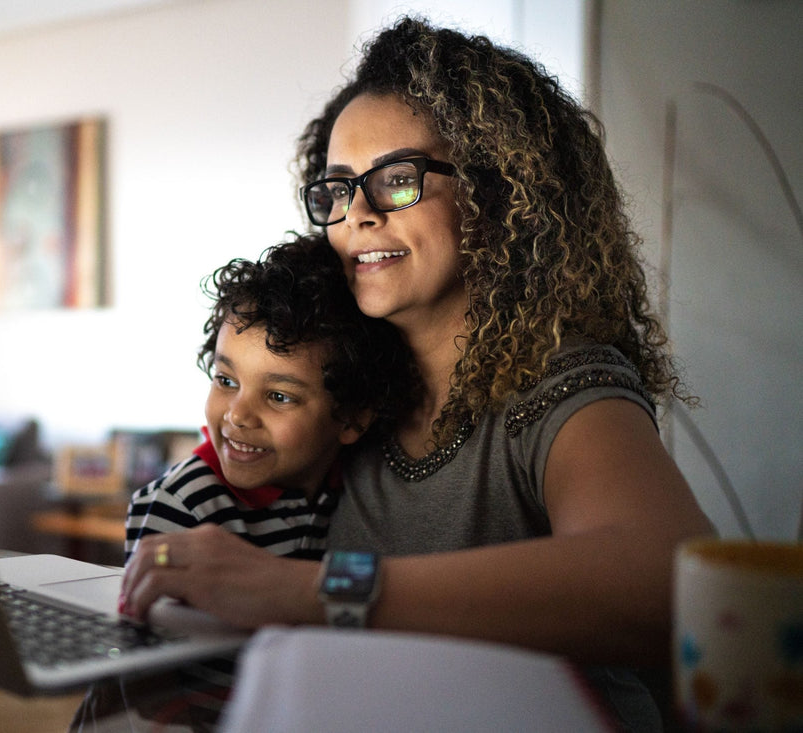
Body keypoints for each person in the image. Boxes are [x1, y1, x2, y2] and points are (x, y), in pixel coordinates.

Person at [120, 17, 714, 729]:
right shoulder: (349, 393)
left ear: (496, 194)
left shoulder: (561, 385)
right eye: (338, 189)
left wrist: (314, 591)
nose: (357, 215)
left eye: (398, 179)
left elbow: (667, 581)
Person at [123, 233, 415, 565]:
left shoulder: (357, 487)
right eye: (226, 380)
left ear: (353, 418)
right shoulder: (182, 505)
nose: (238, 415)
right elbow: (151, 613)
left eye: (278, 396)